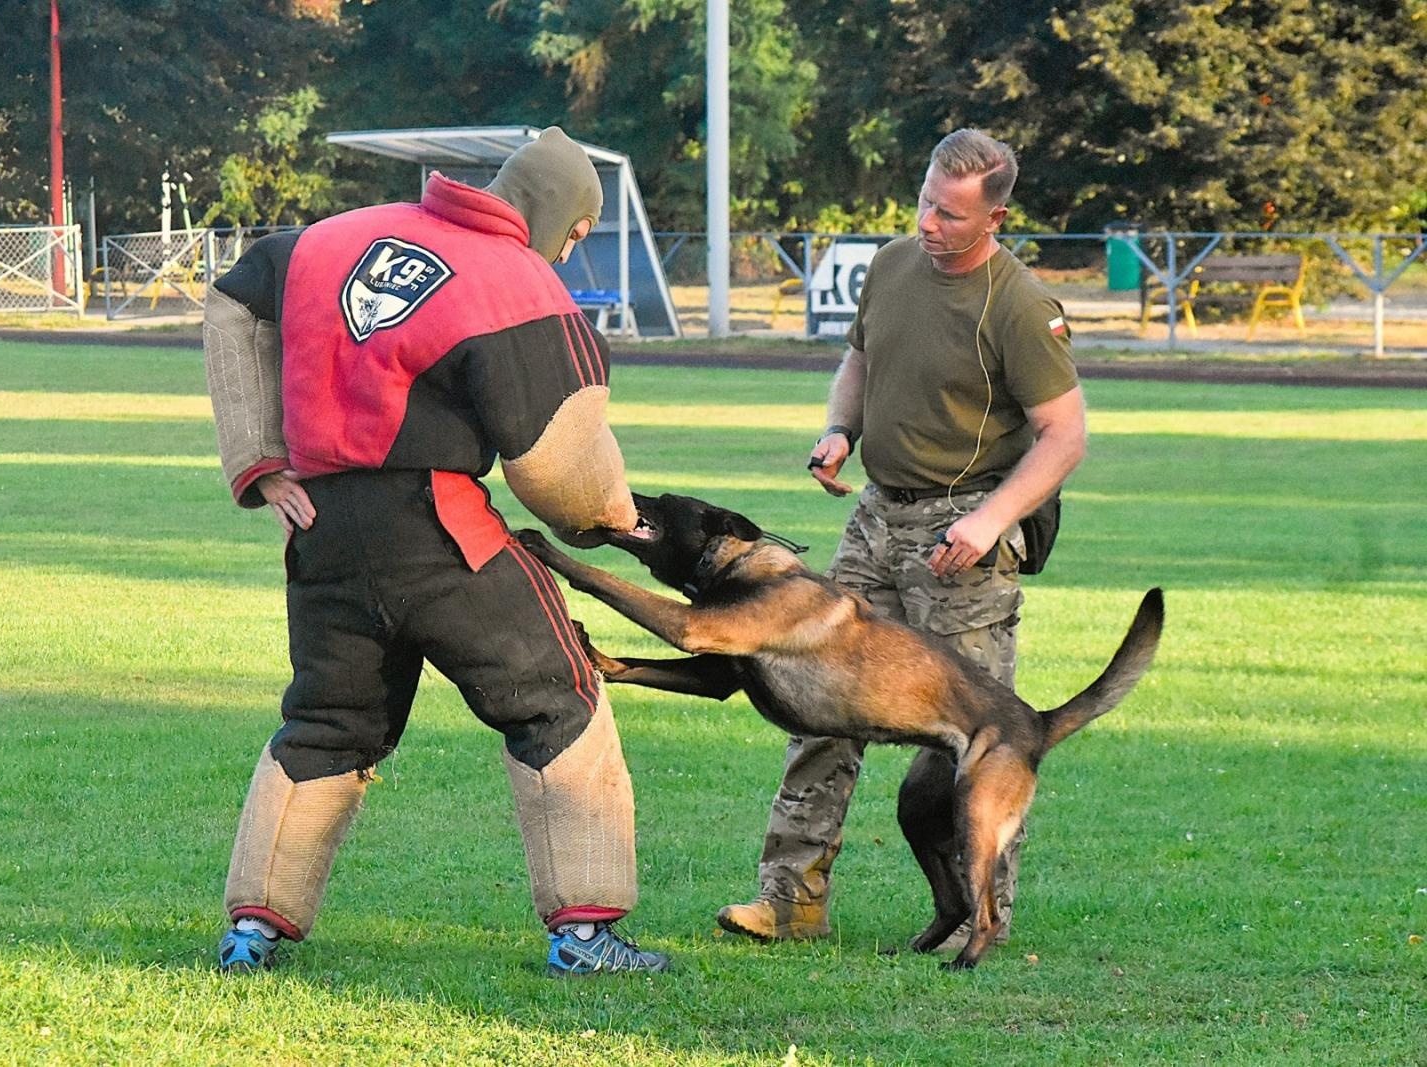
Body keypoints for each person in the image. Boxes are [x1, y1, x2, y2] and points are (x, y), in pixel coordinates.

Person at [202, 127, 669, 977]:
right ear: (557, 212)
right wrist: (614, 516)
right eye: (575, 233)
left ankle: (252, 931)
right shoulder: (515, 280)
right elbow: (558, 469)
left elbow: (233, 302)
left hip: (321, 530)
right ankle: (584, 934)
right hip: (439, 524)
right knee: (558, 697)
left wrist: (260, 459)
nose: (570, 252)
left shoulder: (329, 238)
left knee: (328, 723)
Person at [717, 128, 1088, 950]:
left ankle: (981, 917)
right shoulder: (890, 266)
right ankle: (790, 898)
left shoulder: (1021, 306)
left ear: (995, 217)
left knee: (977, 737)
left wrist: (990, 520)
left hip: (963, 537)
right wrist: (839, 430)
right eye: (925, 202)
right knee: (812, 700)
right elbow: (860, 360)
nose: (928, 223)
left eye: (950, 214)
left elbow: (1065, 436)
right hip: (875, 519)